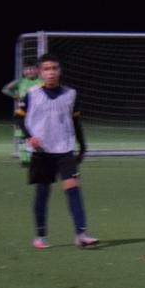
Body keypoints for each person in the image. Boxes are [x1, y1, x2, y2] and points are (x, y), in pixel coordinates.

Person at [17, 54, 99, 249]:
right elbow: (18, 118)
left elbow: (76, 122)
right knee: (43, 192)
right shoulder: (31, 94)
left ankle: (81, 235)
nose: (51, 72)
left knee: (73, 189)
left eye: (54, 68)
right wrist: (30, 137)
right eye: (47, 69)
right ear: (40, 72)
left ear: (60, 71)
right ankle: (41, 236)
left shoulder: (71, 94)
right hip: (42, 151)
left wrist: (83, 147)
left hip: (65, 149)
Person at [2, 62, 41, 163]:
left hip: (38, 114)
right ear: (24, 71)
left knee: (37, 134)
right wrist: (16, 96)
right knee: (21, 134)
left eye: (32, 69)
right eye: (27, 69)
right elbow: (5, 90)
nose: (30, 71)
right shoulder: (20, 82)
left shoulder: (41, 81)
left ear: (37, 70)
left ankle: (38, 155)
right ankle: (25, 158)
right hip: (23, 112)